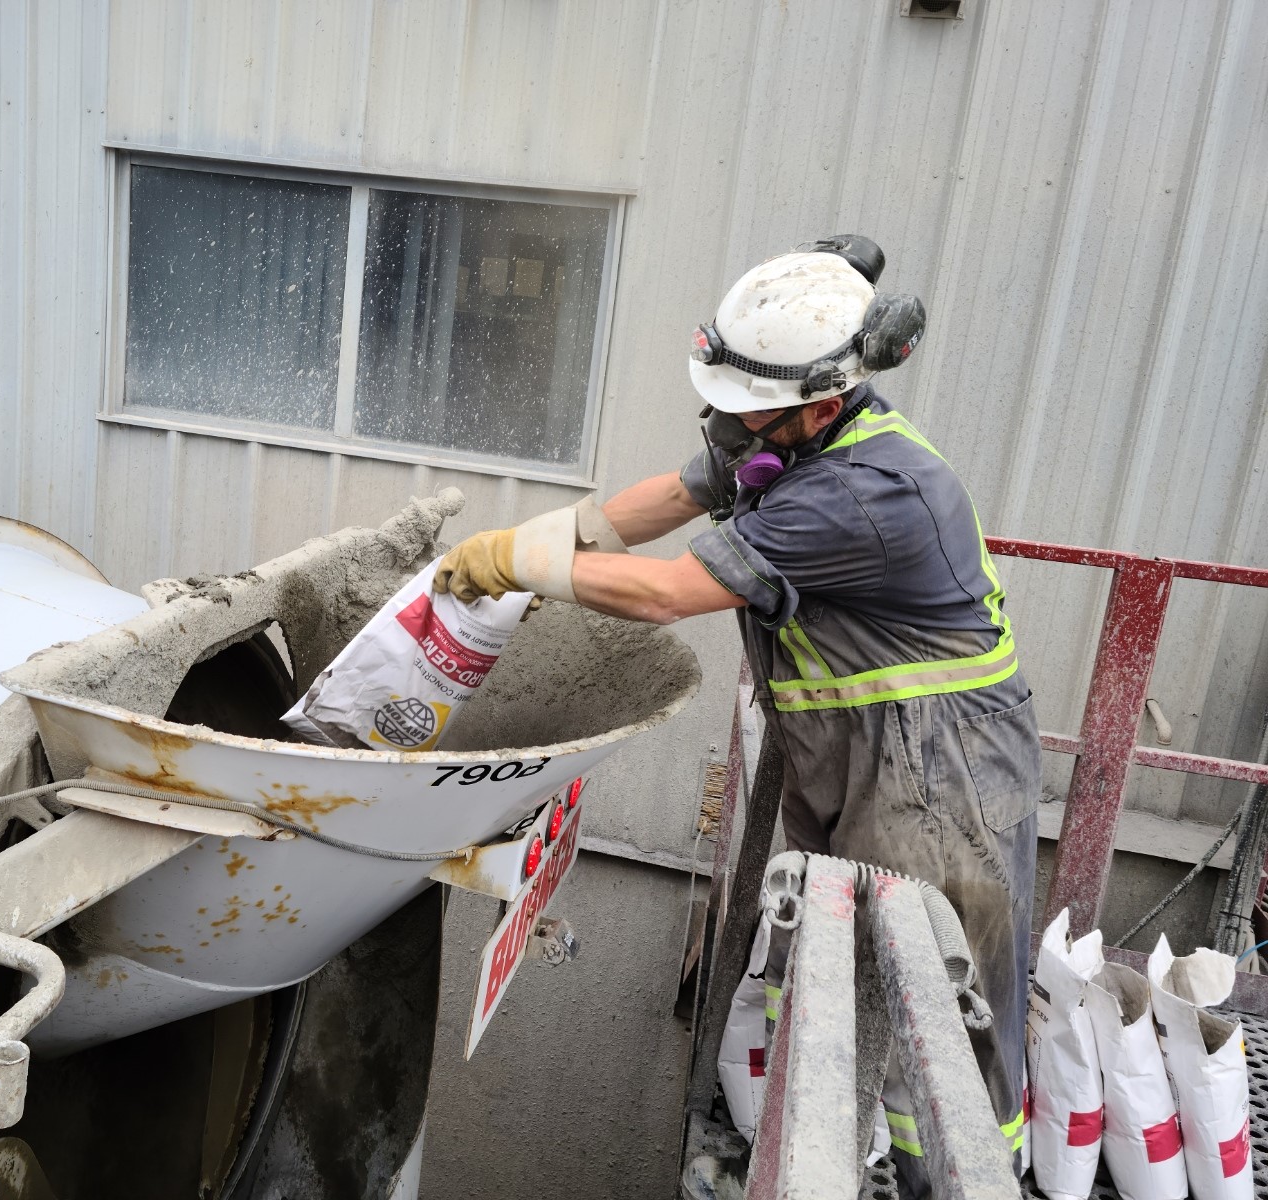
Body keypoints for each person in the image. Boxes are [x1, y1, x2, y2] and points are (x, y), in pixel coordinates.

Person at [433, 237, 1040, 1196]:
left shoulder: (861, 495)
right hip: (848, 754)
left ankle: (951, 1183)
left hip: (937, 772)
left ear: (824, 400)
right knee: (840, 983)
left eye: (748, 406)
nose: (727, 420)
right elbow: (669, 501)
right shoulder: (785, 433)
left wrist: (521, 567)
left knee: (934, 1021)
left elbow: (672, 592)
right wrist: (552, 540)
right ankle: (842, 1160)